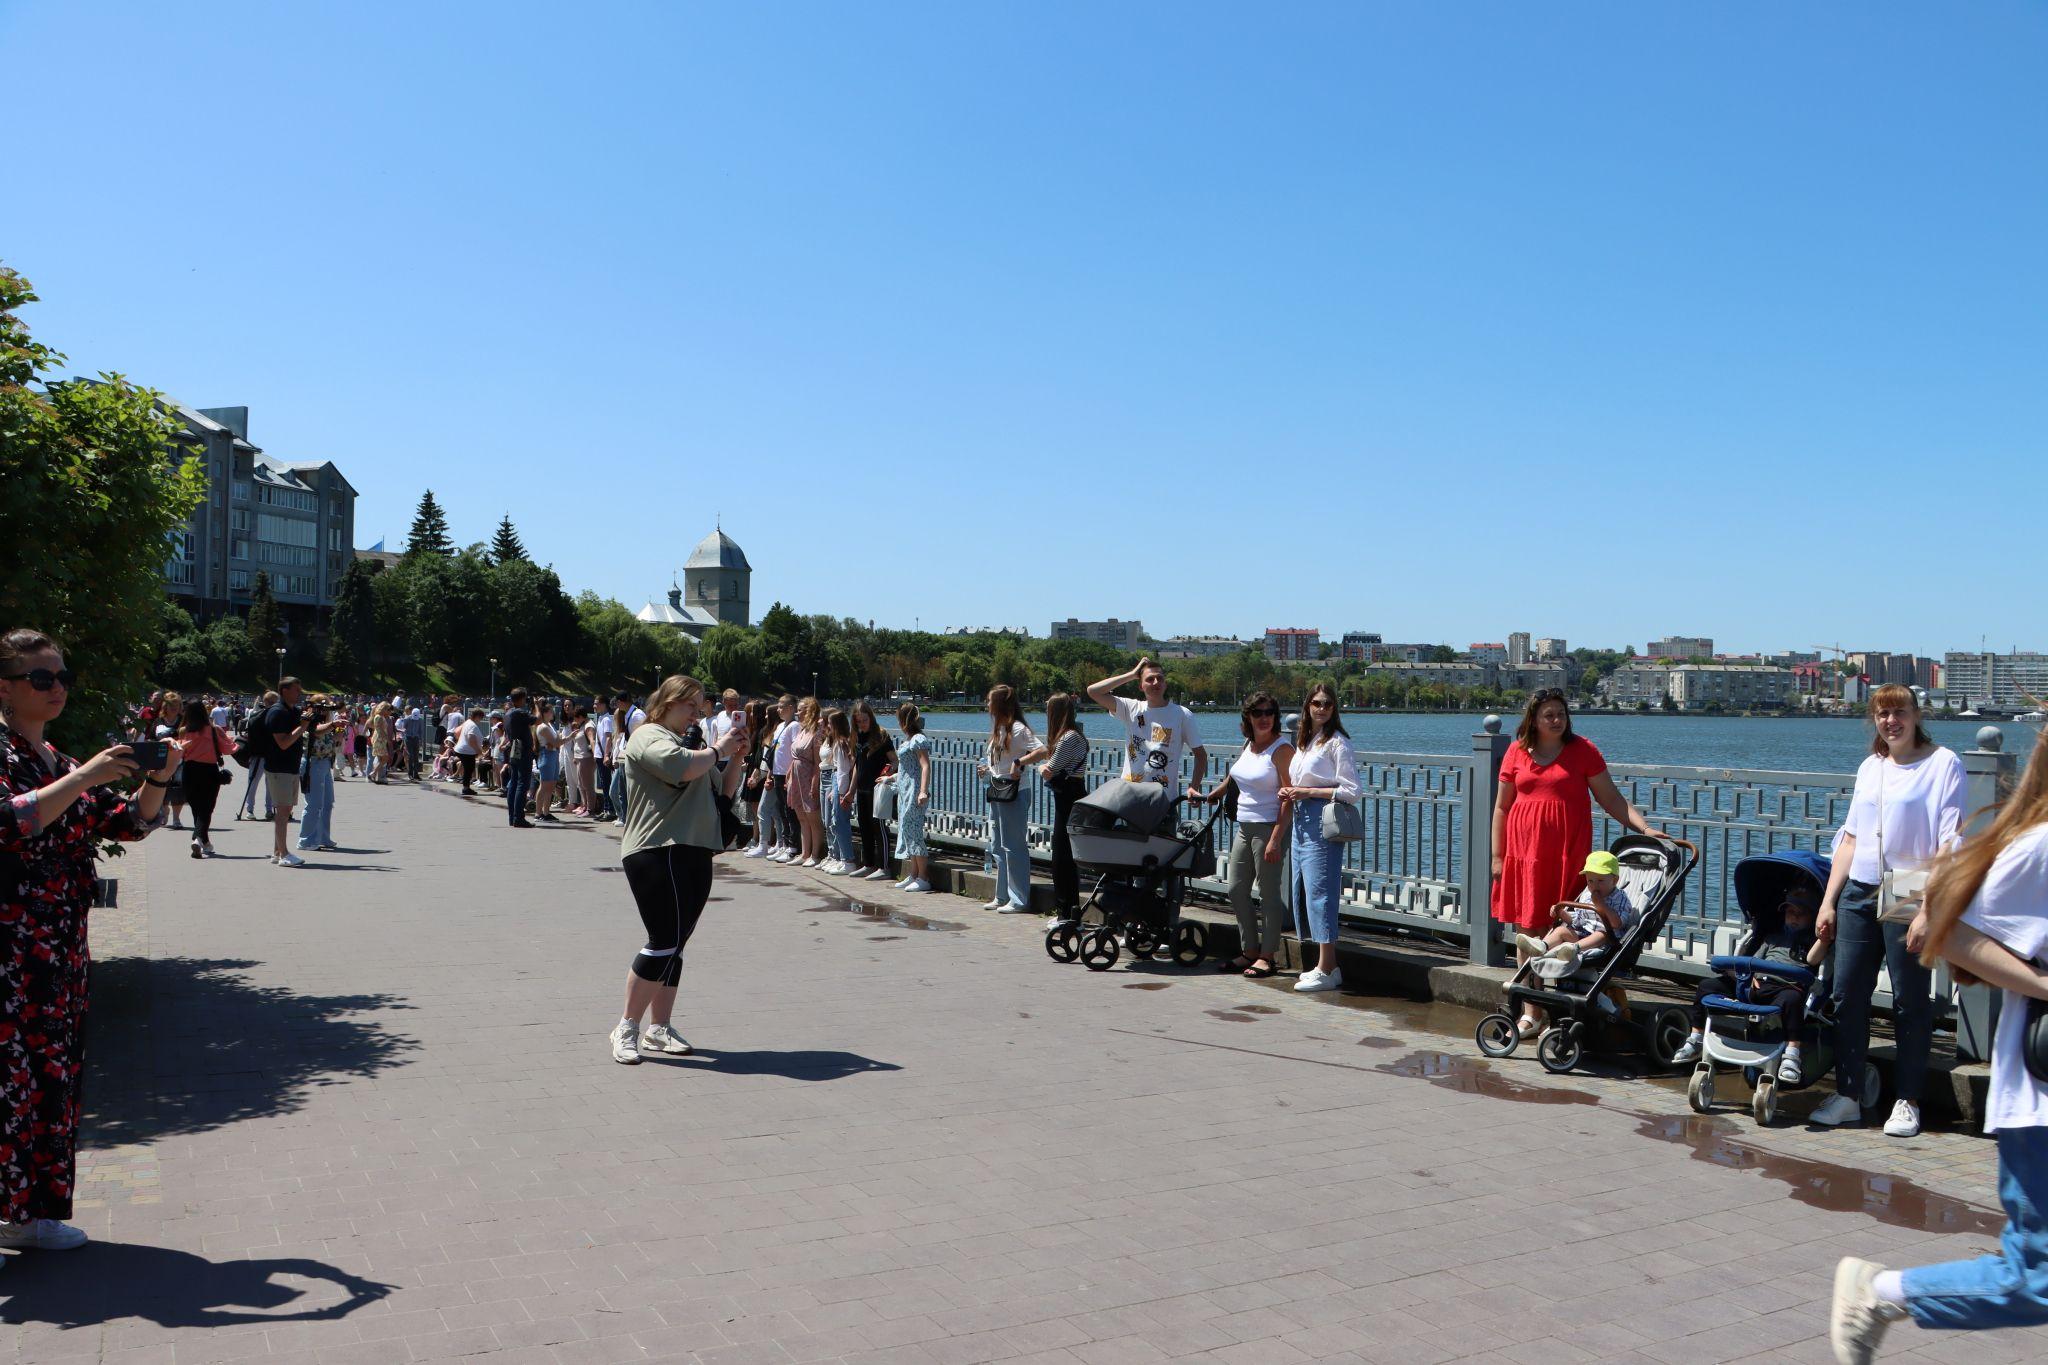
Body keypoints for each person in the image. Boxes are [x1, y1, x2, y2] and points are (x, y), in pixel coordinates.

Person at [1829, 722, 2048, 1362]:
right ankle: (1880, 1292)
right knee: (2036, 1277)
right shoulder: (2040, 847)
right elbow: (1946, 930)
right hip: (2040, 1104)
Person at [0, 628, 179, 1253]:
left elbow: (127, 823)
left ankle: (30, 1215)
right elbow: (11, 821)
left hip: (59, 952)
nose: (57, 688)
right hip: (9, 950)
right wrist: (86, 777)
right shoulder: (19, 760)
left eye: (61, 677)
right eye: (40, 678)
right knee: (6, 1083)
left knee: (52, 1077)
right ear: (5, 686)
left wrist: (160, 775)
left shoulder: (61, 762)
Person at [1811, 684, 1966, 1137]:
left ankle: (1907, 1099)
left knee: (1909, 1000)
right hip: (1860, 887)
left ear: (1917, 715)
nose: (1890, 721)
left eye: (1899, 712)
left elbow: (1949, 842)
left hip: (1911, 889)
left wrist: (1927, 909)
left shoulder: (1943, 764)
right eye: (1882, 714)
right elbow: (1852, 837)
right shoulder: (1871, 767)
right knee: (1847, 993)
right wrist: (1828, 900)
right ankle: (1849, 1093)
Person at [1491, 687, 1667, 1035]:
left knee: (1562, 924)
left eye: (1561, 713)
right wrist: (1498, 856)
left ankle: (1554, 1008)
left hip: (1565, 854)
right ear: (1534, 720)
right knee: (1528, 931)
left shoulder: (1582, 750)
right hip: (1525, 854)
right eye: (1549, 715)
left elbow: (1612, 799)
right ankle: (1531, 1012)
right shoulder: (1516, 752)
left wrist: (1646, 828)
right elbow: (1501, 807)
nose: (1557, 720)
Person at [608, 675, 749, 1065]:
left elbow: (721, 789)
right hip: (657, 848)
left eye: (700, 705)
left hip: (693, 849)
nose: (697, 713)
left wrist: (735, 756)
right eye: (691, 705)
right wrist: (718, 748)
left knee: (677, 943)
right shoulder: (648, 735)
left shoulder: (695, 747)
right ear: (669, 701)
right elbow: (683, 768)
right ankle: (626, 1027)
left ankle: (659, 1028)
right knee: (663, 939)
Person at [1670, 883, 1826, 1081]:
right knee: (1706, 987)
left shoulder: (1811, 942)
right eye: (1790, 912)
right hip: (1755, 983)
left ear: (1812, 916)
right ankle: (1696, 1039)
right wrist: (1749, 975)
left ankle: (1792, 1055)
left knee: (1793, 999)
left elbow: (1813, 960)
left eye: (1800, 913)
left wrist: (1823, 938)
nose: (1794, 917)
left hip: (1784, 988)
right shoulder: (1772, 937)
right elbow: (1753, 960)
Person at [1191, 690, 1291, 978]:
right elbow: (1234, 775)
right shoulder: (1250, 743)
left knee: (1269, 894)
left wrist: (1275, 838)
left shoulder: (1281, 749)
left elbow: (1288, 797)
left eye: (1269, 712)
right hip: (1244, 827)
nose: (1264, 718)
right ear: (1247, 716)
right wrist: (1215, 794)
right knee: (1236, 889)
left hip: (1269, 827)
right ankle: (1249, 951)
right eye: (1257, 713)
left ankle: (1267, 956)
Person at [1278, 682, 1359, 993]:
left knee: (1321, 892)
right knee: (1305, 890)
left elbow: (1351, 791)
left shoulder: (1338, 744)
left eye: (1327, 704)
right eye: (1316, 703)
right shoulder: (1306, 741)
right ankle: (1325, 965)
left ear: (1334, 708)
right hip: (1301, 818)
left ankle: (1327, 967)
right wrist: (1292, 791)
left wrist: (1308, 791)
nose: (1322, 709)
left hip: (1323, 819)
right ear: (1307, 707)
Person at [1087, 655, 1207, 797]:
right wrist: (1132, 675)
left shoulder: (1182, 714)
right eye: (1150, 679)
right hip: (1129, 799)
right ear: (1141, 686)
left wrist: (1194, 787)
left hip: (1163, 801)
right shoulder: (1131, 708)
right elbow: (1093, 691)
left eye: (1160, 678)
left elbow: (1201, 755)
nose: (1156, 682)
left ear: (1165, 684)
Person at [1023, 692, 1092, 920]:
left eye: (1048, 709)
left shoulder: (1068, 738)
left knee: (1062, 859)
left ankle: (1068, 915)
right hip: (1070, 796)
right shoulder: (1073, 736)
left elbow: (1050, 769)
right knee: (1064, 857)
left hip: (1069, 798)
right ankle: (1067, 911)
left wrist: (1041, 768)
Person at [1515, 849, 1637, 970]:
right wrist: (1562, 913)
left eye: (1600, 881)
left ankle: (1573, 949)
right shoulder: (1586, 894)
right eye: (1590, 881)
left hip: (1606, 940)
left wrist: (1601, 905)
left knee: (1601, 934)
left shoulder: (1620, 898)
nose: (1595, 886)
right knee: (1561, 930)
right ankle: (1542, 945)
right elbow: (1577, 920)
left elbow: (1617, 923)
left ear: (1614, 880)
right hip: (1581, 932)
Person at [978, 685, 1039, 913]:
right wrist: (987, 769)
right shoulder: (999, 728)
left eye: (989, 700)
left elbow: (1042, 751)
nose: (986, 705)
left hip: (1015, 792)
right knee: (997, 845)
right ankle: (1002, 895)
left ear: (1000, 704)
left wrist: (1019, 763)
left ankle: (1019, 899)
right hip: (997, 791)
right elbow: (1000, 760)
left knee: (1013, 846)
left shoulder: (1019, 729)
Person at [173, 698, 235, 858]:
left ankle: (204, 842)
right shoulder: (214, 730)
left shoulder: (183, 731)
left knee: (197, 807)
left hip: (189, 770)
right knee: (207, 808)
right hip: (209, 771)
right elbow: (228, 748)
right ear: (203, 711)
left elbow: (180, 752)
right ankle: (197, 839)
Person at [257, 679, 310, 867]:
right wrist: (302, 726)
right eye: (296, 690)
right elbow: (283, 742)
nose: (300, 693)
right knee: (282, 811)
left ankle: (277, 852)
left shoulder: (293, 711)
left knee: (285, 810)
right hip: (279, 768)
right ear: (284, 691)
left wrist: (327, 722)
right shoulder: (277, 712)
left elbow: (306, 732)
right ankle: (284, 854)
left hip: (290, 767)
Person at [850, 699, 897, 882]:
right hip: (862, 789)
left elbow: (894, 761)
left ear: (871, 717)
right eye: (858, 721)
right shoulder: (857, 736)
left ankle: (884, 867)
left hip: (877, 789)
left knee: (879, 827)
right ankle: (868, 864)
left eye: (864, 720)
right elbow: (857, 765)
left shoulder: (881, 735)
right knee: (864, 827)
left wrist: (886, 773)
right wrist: (850, 790)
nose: (862, 724)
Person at [892, 703, 933, 893]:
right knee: (907, 830)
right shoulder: (908, 739)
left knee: (914, 831)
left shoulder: (917, 739)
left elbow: (925, 765)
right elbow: (906, 769)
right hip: (905, 790)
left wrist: (923, 790)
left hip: (915, 791)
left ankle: (923, 876)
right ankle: (914, 873)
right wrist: (890, 778)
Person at [296, 695, 344, 854]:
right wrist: (333, 724)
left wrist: (340, 728)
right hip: (313, 762)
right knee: (314, 804)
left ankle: (323, 837)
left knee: (327, 803)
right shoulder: (308, 718)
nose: (327, 710)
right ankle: (306, 840)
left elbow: (335, 739)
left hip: (325, 763)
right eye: (325, 707)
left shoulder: (326, 722)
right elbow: (315, 731)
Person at [787, 697, 824, 867]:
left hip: (807, 776)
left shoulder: (816, 731)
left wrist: (814, 783)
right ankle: (805, 852)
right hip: (796, 777)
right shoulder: (802, 729)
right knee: (801, 816)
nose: (797, 712)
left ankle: (815, 854)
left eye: (801, 709)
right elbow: (794, 755)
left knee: (812, 817)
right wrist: (789, 774)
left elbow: (817, 762)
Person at [821, 707, 857, 874]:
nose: (827, 726)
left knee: (840, 822)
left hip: (839, 782)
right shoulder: (843, 743)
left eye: (829, 724)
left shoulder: (840, 744)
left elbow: (842, 770)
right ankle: (843, 858)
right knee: (837, 821)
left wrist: (841, 793)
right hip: (837, 782)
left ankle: (847, 859)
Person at [502, 687, 536, 829]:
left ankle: (512, 817)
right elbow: (536, 720)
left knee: (514, 782)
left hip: (513, 749)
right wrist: (537, 706)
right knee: (523, 784)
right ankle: (519, 818)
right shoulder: (519, 712)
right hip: (523, 750)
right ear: (522, 698)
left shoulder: (508, 713)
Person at [532, 700, 562, 822]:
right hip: (547, 754)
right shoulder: (542, 726)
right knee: (544, 785)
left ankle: (546, 812)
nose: (553, 713)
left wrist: (557, 741)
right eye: (551, 711)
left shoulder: (550, 725)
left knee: (551, 785)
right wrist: (565, 739)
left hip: (553, 754)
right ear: (545, 713)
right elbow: (556, 742)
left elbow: (556, 741)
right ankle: (538, 813)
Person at [569, 704, 596, 816]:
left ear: (580, 716)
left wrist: (595, 756)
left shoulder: (588, 726)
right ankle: (584, 806)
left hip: (586, 758)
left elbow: (592, 741)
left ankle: (590, 809)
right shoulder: (582, 724)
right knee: (581, 784)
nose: (574, 720)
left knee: (588, 785)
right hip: (580, 758)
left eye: (576, 717)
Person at [454, 707, 486, 796]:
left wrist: (461, 741)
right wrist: (479, 751)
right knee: (469, 769)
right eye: (481, 718)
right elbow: (471, 739)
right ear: (477, 717)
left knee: (468, 768)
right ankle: (466, 788)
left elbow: (456, 732)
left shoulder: (467, 722)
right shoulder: (472, 725)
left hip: (462, 749)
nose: (481, 720)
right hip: (467, 751)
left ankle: (466, 787)